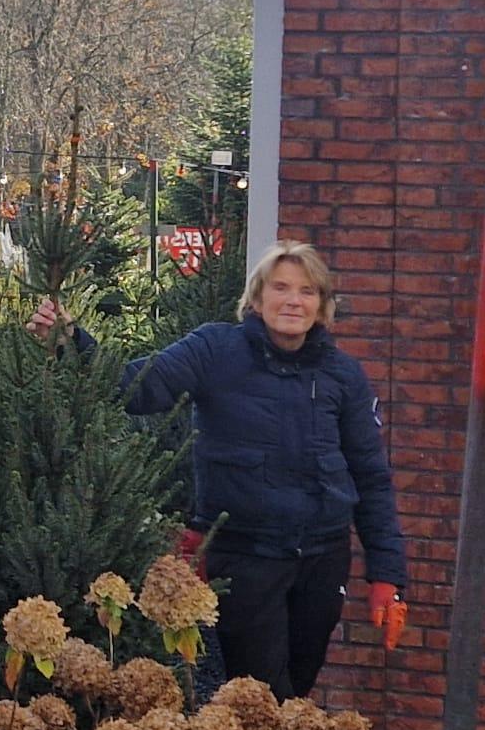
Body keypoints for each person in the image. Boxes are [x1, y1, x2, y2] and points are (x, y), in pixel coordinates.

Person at [28, 240, 407, 699]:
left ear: (322, 306)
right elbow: (137, 388)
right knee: (261, 695)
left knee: (299, 688)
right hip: (245, 559)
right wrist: (72, 343)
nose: (293, 300)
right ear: (257, 297)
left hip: (322, 561)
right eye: (281, 288)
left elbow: (370, 476)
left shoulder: (342, 375)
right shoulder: (215, 350)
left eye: (307, 291)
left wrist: (387, 575)